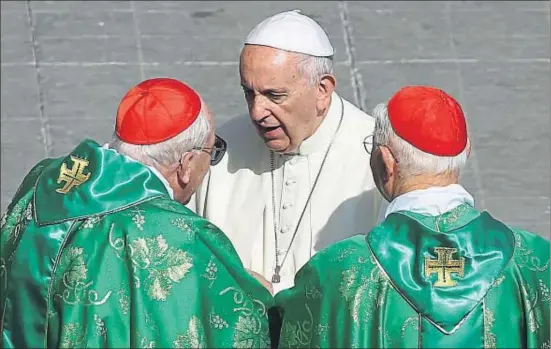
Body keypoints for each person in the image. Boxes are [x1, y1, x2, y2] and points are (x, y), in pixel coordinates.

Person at [0, 78, 275, 348]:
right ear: (186, 164)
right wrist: (257, 296)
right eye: (211, 152)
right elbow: (234, 325)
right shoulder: (178, 235)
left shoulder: (42, 179)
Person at [275, 86, 550, 348]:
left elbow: (289, 328)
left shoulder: (340, 271)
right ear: (466, 151)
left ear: (385, 162)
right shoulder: (533, 262)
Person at [188, 10, 385, 294]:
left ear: (322, 90)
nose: (257, 112)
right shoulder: (223, 147)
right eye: (249, 93)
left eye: (274, 96)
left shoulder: (375, 155)